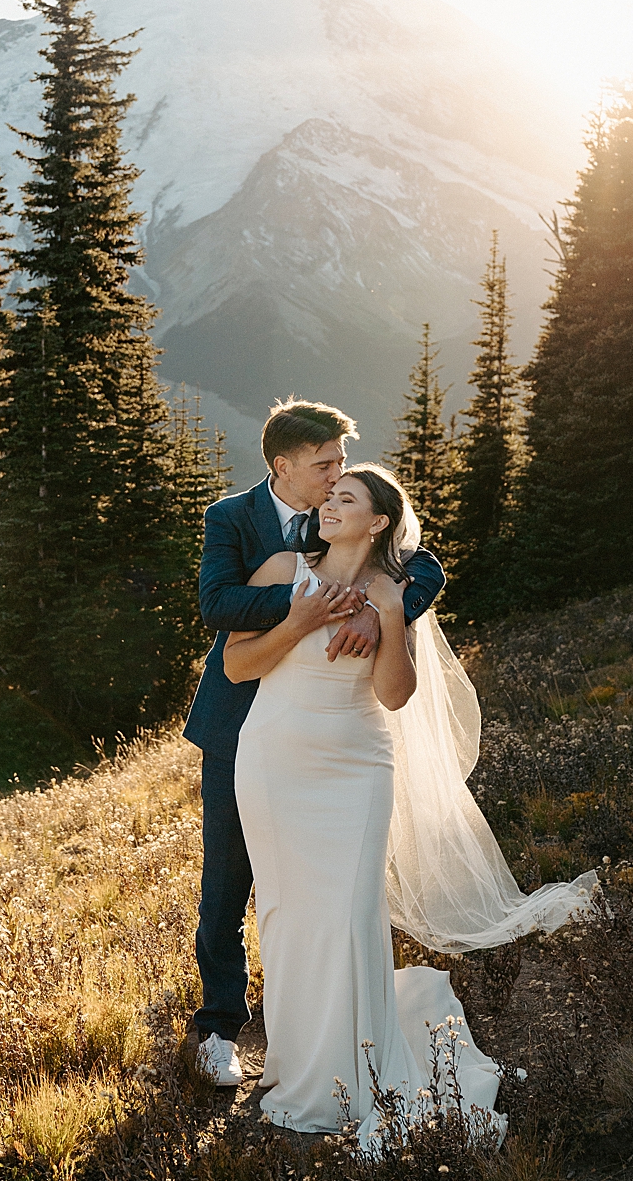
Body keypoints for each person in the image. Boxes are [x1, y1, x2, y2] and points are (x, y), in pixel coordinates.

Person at [224, 464, 596, 1143]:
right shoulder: (283, 568)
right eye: (328, 495)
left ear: (378, 523)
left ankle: (358, 1070)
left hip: (357, 766)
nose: (330, 504)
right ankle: (300, 1060)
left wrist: (389, 614)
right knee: (287, 913)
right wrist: (298, 618)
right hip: (273, 761)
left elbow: (395, 694)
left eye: (347, 499)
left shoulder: (393, 591)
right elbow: (236, 664)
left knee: (350, 911)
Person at [182, 400, 446, 1086]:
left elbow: (428, 566)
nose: (336, 476)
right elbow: (217, 604)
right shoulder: (232, 519)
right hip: (246, 726)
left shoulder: (357, 527)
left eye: (340, 464)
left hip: (338, 738)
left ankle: (317, 1034)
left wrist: (377, 605)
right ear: (284, 466)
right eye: (325, 465)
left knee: (323, 896)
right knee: (229, 882)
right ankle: (217, 1029)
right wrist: (310, 607)